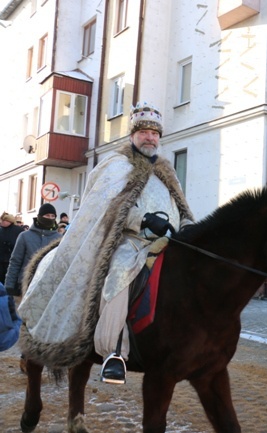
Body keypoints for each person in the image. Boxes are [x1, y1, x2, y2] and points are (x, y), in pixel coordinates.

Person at [18, 102, 193, 385]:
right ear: (133, 135)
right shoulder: (115, 165)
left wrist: (188, 224)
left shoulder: (167, 172)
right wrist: (142, 220)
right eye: (144, 131)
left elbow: (182, 206)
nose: (150, 137)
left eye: (155, 133)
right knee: (119, 275)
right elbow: (107, 206)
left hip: (169, 241)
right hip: (130, 241)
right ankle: (114, 353)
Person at [4, 203, 62, 297]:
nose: (50, 218)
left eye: (53, 216)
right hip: (24, 286)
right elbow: (15, 262)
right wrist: (9, 286)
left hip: (49, 287)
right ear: (39, 216)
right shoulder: (25, 236)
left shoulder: (59, 238)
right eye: (47, 215)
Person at [0, 212, 25, 284]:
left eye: (3, 220)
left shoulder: (18, 230)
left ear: (9, 221)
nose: (1, 222)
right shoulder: (1, 230)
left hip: (12, 260)